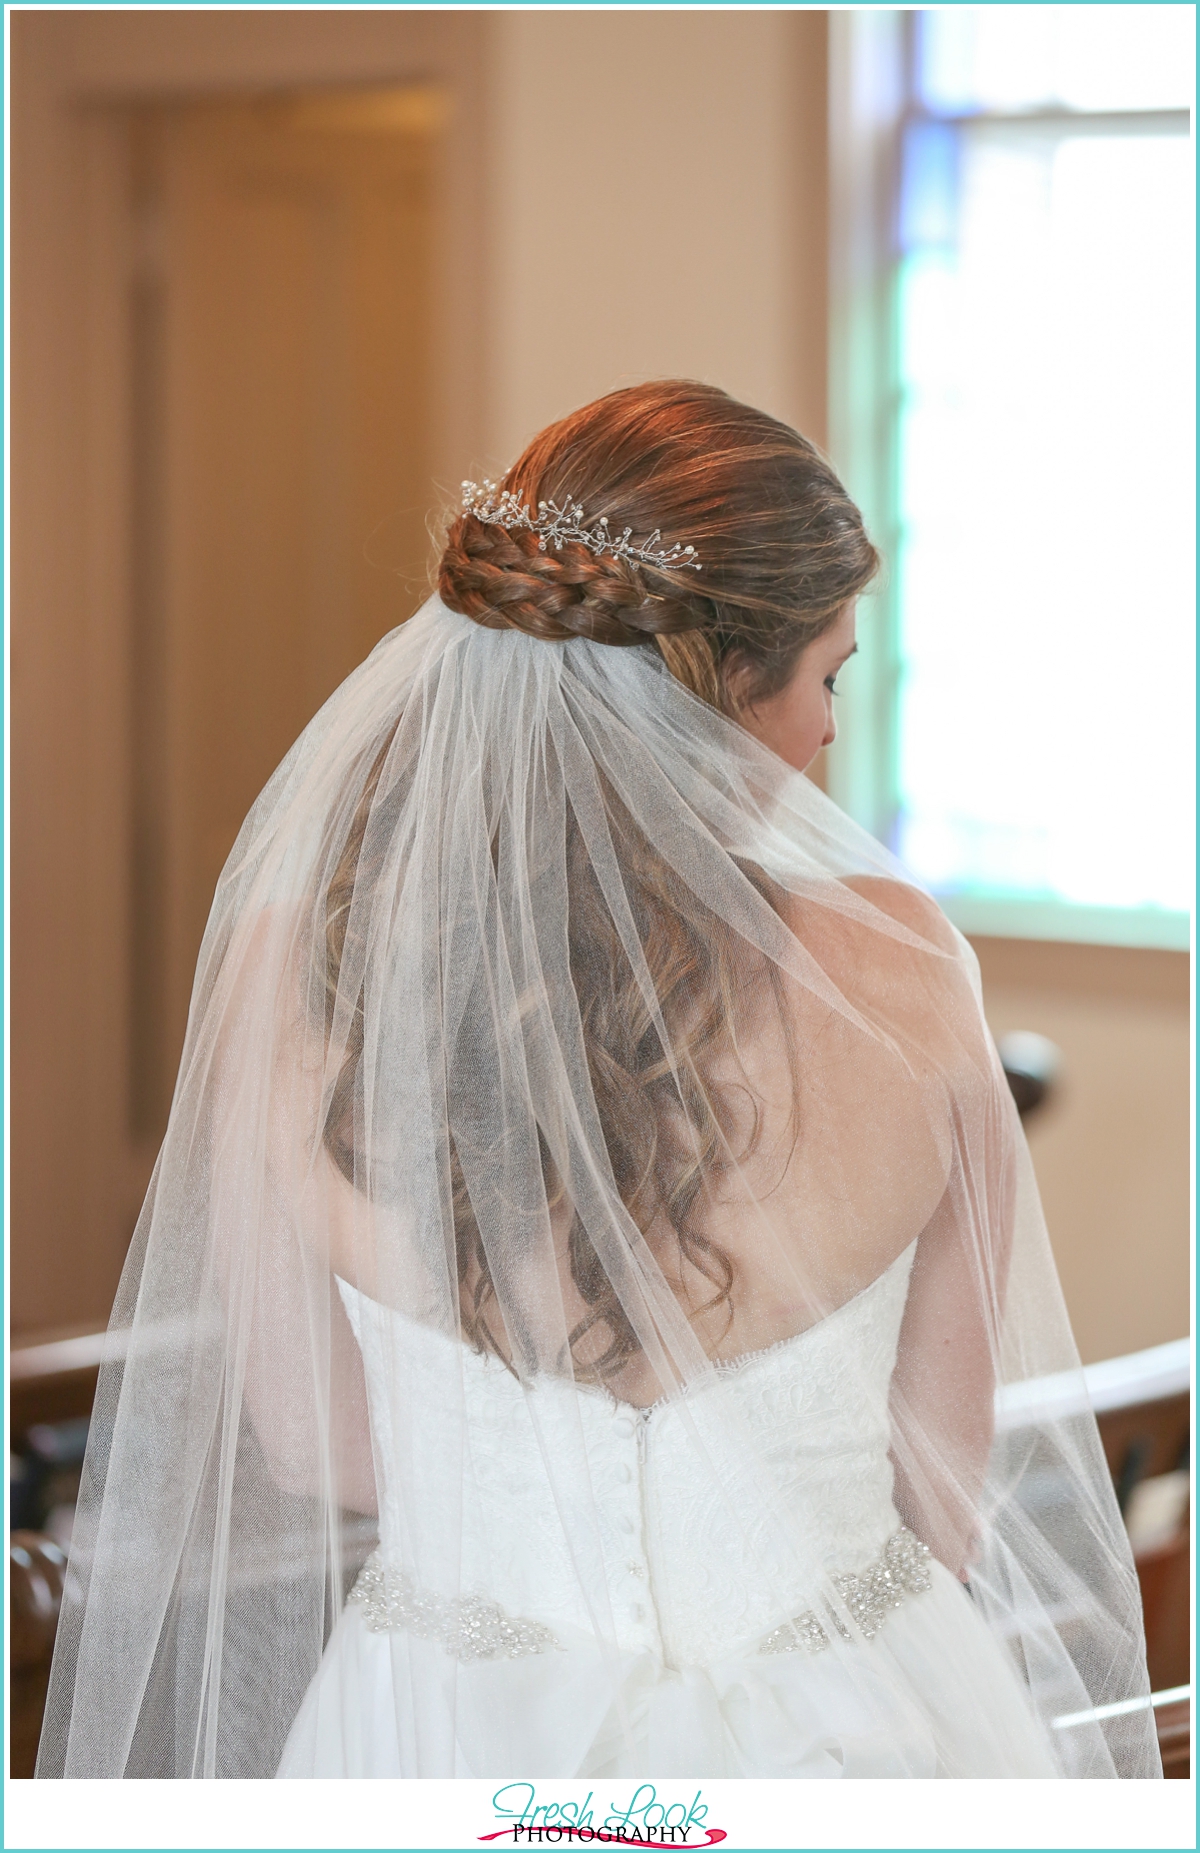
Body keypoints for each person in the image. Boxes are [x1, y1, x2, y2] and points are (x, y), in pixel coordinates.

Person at [39, 381, 1159, 1780]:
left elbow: (322, 1445)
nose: (827, 734)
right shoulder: (908, 970)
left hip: (440, 1735)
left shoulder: (298, 974)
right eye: (827, 675)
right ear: (716, 687)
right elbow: (944, 1485)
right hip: (853, 1727)